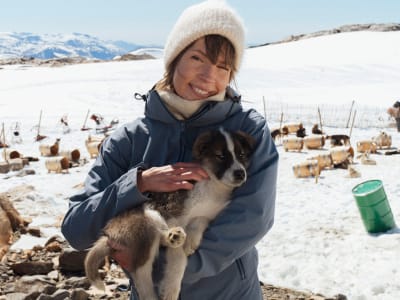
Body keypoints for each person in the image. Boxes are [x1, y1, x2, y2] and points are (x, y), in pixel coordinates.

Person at [61, 0, 278, 299]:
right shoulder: (128, 140)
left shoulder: (247, 131)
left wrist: (170, 268)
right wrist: (138, 183)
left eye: (223, 67)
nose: (208, 76)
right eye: (197, 58)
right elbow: (76, 229)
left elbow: (253, 217)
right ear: (175, 58)